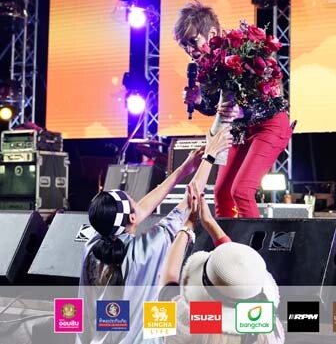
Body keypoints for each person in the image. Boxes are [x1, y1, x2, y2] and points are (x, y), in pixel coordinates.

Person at [77, 127, 233, 344]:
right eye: (134, 202)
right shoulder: (148, 248)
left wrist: (183, 169)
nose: (140, 205)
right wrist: (210, 156)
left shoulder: (92, 244)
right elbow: (189, 202)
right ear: (132, 217)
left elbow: (139, 211)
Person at [174, 0, 293, 218]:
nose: (190, 50)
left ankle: (255, 242)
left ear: (211, 33)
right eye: (184, 45)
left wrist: (243, 112)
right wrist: (198, 101)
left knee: (241, 191)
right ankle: (225, 240)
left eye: (193, 41)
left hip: (270, 125)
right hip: (241, 132)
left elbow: (271, 99)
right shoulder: (205, 66)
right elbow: (215, 108)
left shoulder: (241, 51)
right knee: (221, 194)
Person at [158, 184, 285, 344]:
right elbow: (237, 275)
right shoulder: (269, 332)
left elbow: (166, 283)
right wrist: (210, 223)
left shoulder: (183, 321)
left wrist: (188, 226)